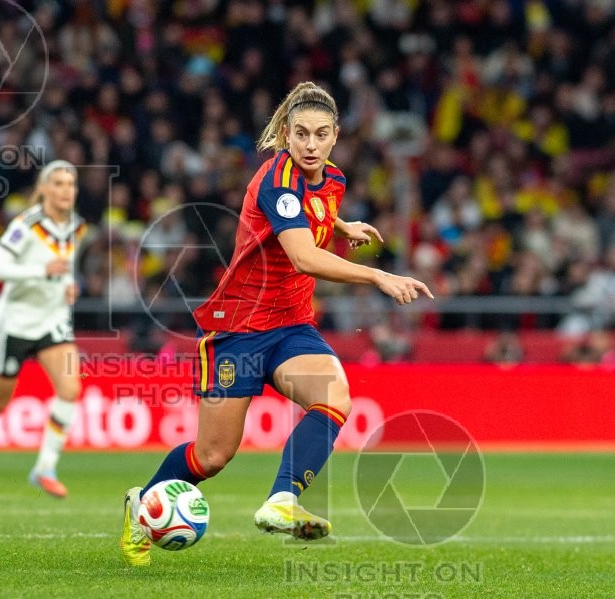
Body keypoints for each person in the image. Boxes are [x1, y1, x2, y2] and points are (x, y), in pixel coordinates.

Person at [119, 82, 433, 566]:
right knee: (213, 456)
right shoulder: (276, 180)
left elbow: (318, 209)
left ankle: (281, 500)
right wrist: (377, 275)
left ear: (335, 136)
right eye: (302, 134)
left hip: (291, 326)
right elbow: (305, 257)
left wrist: (343, 225)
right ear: (286, 134)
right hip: (240, 329)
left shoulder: (332, 180)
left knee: (335, 398)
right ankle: (143, 508)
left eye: (321, 135)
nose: (310, 144)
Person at [0, 160, 87, 500]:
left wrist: (68, 285)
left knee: (70, 389)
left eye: (70, 184)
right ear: (42, 189)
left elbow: (65, 265)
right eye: (57, 183)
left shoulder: (77, 227)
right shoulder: (25, 225)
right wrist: (41, 270)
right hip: (14, 324)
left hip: (52, 322)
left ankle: (45, 467)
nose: (65, 190)